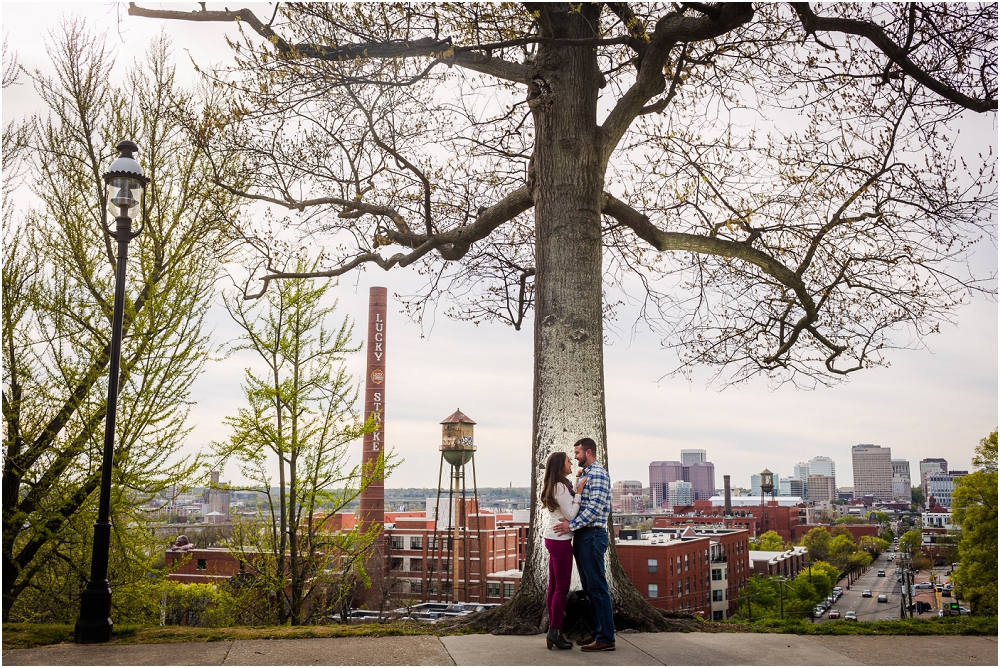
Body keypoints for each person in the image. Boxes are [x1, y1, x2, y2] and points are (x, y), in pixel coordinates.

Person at [554, 437, 615, 652]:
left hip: (592, 536)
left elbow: (595, 509)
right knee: (590, 589)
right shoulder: (587, 474)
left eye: (577, 453)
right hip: (584, 536)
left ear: (588, 452)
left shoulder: (597, 474)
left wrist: (571, 525)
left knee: (598, 588)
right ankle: (599, 634)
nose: (576, 457)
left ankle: (606, 637)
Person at [540, 451, 586, 650]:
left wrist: (575, 486)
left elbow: (565, 506)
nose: (571, 463)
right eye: (568, 461)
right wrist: (580, 494)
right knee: (561, 588)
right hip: (560, 541)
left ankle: (553, 629)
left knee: (553, 587)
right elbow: (570, 514)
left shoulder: (559, 485)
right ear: (561, 466)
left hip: (552, 538)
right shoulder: (560, 487)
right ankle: (555, 631)